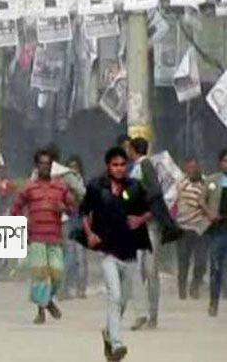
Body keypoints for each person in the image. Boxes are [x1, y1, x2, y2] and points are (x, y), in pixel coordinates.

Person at [80, 147, 153, 362]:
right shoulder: (96, 187)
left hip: (130, 254)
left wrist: (140, 220)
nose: (119, 168)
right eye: (115, 165)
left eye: (122, 164)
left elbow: (151, 209)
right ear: (108, 166)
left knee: (122, 302)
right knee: (115, 296)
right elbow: (84, 212)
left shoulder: (135, 187)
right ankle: (117, 343)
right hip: (108, 253)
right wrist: (90, 234)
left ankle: (108, 333)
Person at [12, 149, 76, 324]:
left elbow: (73, 208)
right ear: (36, 166)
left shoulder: (61, 187)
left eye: (48, 164)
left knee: (57, 273)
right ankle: (41, 310)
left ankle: (47, 301)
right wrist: (22, 225)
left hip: (55, 236)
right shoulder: (29, 188)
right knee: (40, 276)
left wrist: (64, 209)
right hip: (36, 237)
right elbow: (15, 209)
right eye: (41, 164)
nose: (45, 167)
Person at [127, 137, 181, 330]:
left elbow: (155, 194)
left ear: (133, 149)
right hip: (140, 227)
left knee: (149, 271)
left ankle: (151, 314)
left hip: (149, 226)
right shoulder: (137, 168)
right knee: (141, 271)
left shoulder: (145, 166)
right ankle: (144, 314)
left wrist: (141, 215)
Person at [175, 157, 212, 300]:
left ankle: (195, 285)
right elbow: (172, 199)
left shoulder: (206, 182)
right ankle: (182, 289)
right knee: (183, 262)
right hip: (183, 228)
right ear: (185, 168)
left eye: (194, 167)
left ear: (198, 168)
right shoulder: (180, 182)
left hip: (200, 228)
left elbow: (213, 199)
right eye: (189, 167)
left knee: (201, 262)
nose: (192, 170)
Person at [60, 156, 89, 300]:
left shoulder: (79, 184)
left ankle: (80, 288)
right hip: (69, 222)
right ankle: (65, 288)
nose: (73, 170)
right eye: (71, 167)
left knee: (80, 258)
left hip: (79, 222)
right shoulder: (65, 184)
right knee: (70, 257)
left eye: (75, 167)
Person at [206, 149, 227, 317]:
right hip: (218, 229)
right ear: (220, 163)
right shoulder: (212, 180)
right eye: (225, 161)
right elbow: (201, 199)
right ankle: (213, 302)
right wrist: (209, 213)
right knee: (216, 267)